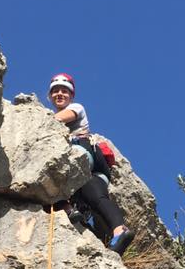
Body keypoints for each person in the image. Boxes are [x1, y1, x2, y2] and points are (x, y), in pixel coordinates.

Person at [48, 72, 134, 255]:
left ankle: (68, 208)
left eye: (64, 91)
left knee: (54, 173)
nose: (60, 94)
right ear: (50, 96)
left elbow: (57, 119)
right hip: (95, 172)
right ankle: (118, 231)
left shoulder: (76, 107)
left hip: (82, 154)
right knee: (95, 196)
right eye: (55, 91)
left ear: (71, 95)